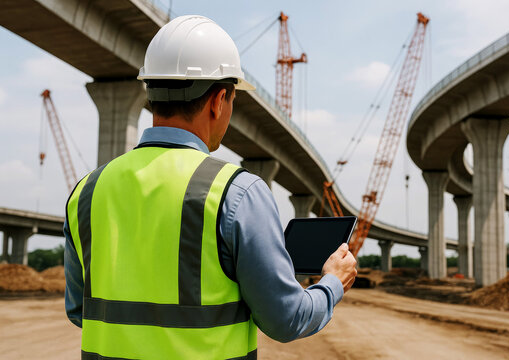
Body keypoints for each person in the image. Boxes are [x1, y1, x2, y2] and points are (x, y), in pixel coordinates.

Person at [64, 15, 357, 360]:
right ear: (219, 100)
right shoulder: (236, 192)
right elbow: (286, 319)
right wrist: (333, 282)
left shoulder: (87, 191)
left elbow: (79, 310)